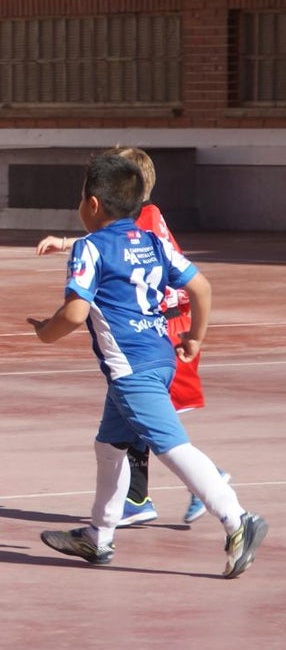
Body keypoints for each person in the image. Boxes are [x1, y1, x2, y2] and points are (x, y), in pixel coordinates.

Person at [28, 152, 267, 578]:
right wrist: (195, 337)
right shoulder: (151, 241)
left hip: (131, 370)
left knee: (171, 445)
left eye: (80, 199)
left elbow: (75, 313)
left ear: (93, 205)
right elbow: (202, 286)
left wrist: (45, 331)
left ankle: (237, 520)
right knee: (109, 447)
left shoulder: (89, 248)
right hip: (159, 356)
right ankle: (98, 536)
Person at [36, 146, 226, 527]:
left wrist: (193, 335)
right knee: (125, 427)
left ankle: (221, 498)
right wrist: (69, 242)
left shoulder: (148, 221)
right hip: (152, 326)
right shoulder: (133, 225)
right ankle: (126, 507)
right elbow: (117, 245)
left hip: (158, 326)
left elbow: (122, 252)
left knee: (157, 422)